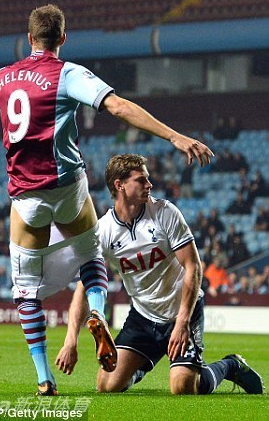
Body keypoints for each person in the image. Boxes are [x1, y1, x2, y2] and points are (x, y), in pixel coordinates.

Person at [0, 4, 214, 396]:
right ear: (62, 38)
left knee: (26, 289)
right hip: (67, 185)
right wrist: (174, 137)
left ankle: (45, 379)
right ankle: (98, 311)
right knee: (91, 255)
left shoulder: (1, 79)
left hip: (26, 194)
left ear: (29, 39)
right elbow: (118, 107)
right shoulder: (67, 73)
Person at [55, 154, 263, 395]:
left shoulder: (165, 212)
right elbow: (84, 288)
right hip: (143, 317)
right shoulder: (103, 231)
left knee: (183, 387)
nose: (149, 184)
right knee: (107, 385)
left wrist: (183, 322)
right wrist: (70, 342)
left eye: (148, 179)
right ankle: (141, 362)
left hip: (183, 310)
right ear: (119, 185)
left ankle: (230, 366)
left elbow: (193, 267)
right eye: (141, 180)